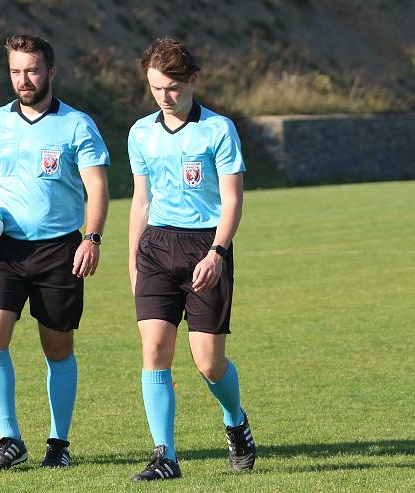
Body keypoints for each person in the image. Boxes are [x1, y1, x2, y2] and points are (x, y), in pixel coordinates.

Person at [0, 34, 110, 471]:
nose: (23, 79)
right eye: (15, 71)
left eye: (31, 70)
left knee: (57, 348)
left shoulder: (77, 125)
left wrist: (92, 237)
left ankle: (57, 442)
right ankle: (9, 438)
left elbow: (98, 187)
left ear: (50, 72)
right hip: (4, 248)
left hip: (59, 250)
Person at [127, 37, 256, 481]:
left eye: (174, 87)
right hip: (157, 248)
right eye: (156, 88)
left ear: (192, 80)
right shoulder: (140, 132)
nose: (165, 96)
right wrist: (133, 262)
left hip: (206, 246)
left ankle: (235, 421)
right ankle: (166, 455)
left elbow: (232, 200)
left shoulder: (219, 130)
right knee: (155, 350)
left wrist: (218, 253)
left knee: (207, 362)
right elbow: (141, 201)